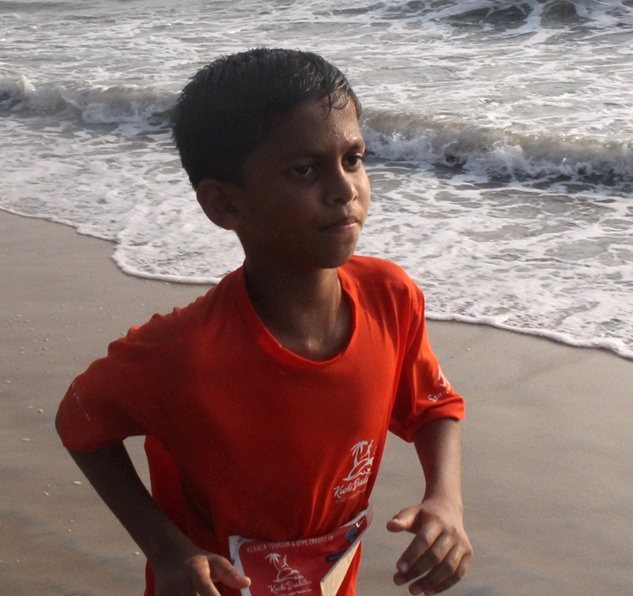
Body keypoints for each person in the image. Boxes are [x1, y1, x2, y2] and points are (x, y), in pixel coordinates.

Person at [55, 48, 472, 596]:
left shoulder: (390, 299)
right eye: (304, 170)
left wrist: (446, 499)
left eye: (353, 158)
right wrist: (166, 548)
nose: (344, 189)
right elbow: (79, 420)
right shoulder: (184, 354)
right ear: (223, 205)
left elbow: (433, 407)